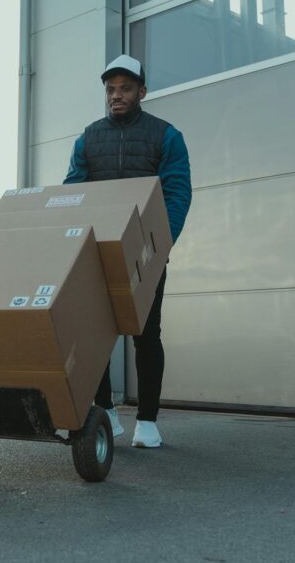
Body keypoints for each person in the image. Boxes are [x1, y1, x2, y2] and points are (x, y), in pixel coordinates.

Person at [64, 54, 192, 449]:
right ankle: (106, 412)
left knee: (146, 334)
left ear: (142, 91)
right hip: (96, 252)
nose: (116, 96)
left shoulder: (166, 136)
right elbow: (73, 190)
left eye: (125, 88)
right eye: (110, 89)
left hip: (146, 254)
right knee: (95, 334)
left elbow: (177, 192)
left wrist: (160, 244)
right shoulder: (88, 138)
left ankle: (148, 422)